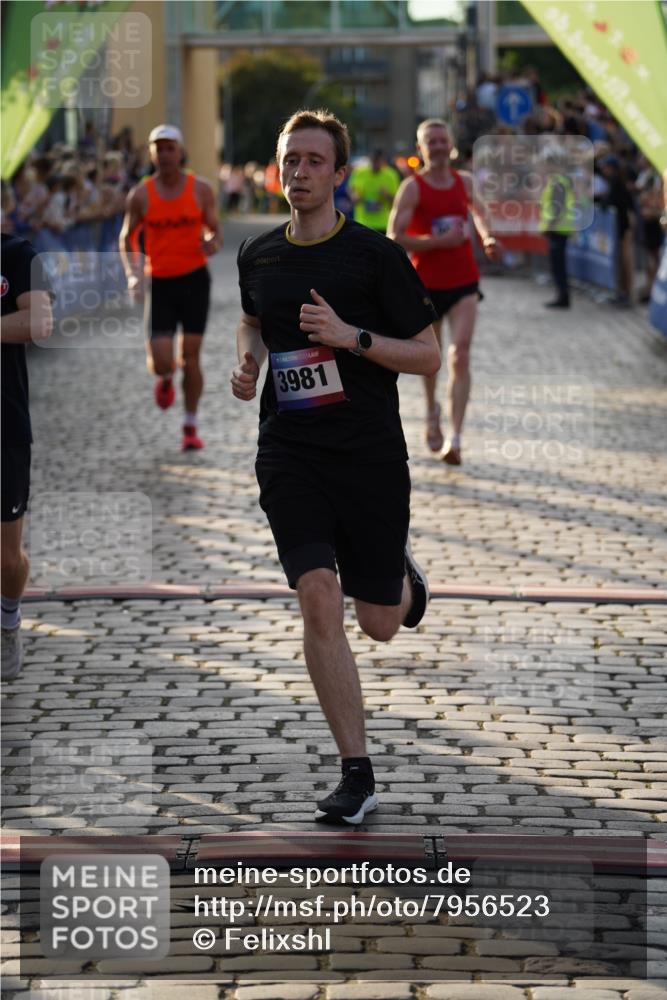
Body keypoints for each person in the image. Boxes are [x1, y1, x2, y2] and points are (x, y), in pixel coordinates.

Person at [231, 109, 440, 824]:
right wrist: (247, 362)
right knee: (318, 592)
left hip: (369, 456)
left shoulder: (375, 257)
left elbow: (427, 354)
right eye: (289, 160)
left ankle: (402, 587)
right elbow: (254, 321)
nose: (299, 173)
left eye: (313, 161)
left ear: (339, 172)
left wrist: (350, 337)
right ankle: (356, 772)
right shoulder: (257, 255)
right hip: (289, 450)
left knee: (379, 621)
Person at [387, 118, 498, 465]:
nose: (436, 146)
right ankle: (432, 409)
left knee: (459, 355)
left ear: (449, 145)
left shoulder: (464, 182)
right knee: (431, 363)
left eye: (441, 140)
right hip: (427, 285)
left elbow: (480, 213)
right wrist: (436, 242)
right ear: (420, 148)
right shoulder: (413, 188)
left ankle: (456, 437)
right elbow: (394, 236)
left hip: (465, 280)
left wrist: (488, 236)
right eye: (429, 141)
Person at [119, 124, 220, 450]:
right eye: (157, 149)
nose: (164, 154)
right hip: (160, 282)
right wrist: (133, 274)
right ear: (151, 154)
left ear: (180, 152)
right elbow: (127, 237)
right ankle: (165, 378)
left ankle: (190, 426)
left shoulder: (201, 190)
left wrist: (210, 242)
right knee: (163, 360)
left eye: (169, 148)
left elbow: (214, 231)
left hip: (194, 281)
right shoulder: (141, 194)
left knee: (191, 357)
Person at [1, 233, 54, 680]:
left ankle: (8, 620)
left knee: (6, 558)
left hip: (6, 422)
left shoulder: (19, 255)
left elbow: (38, 322)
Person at [539, 149, 576, 309]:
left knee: (558, 265)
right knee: (557, 264)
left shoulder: (558, 181)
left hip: (558, 229)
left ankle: (563, 297)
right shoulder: (559, 180)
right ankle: (561, 295)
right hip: (560, 228)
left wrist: (549, 226)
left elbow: (557, 207)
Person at [348, 149, 400, 234]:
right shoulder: (359, 173)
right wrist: (354, 196)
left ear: (383, 161)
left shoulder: (391, 175)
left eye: (377, 162)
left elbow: (397, 201)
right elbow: (350, 189)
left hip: (383, 224)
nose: (375, 165)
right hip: (362, 223)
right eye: (373, 162)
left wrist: (387, 195)